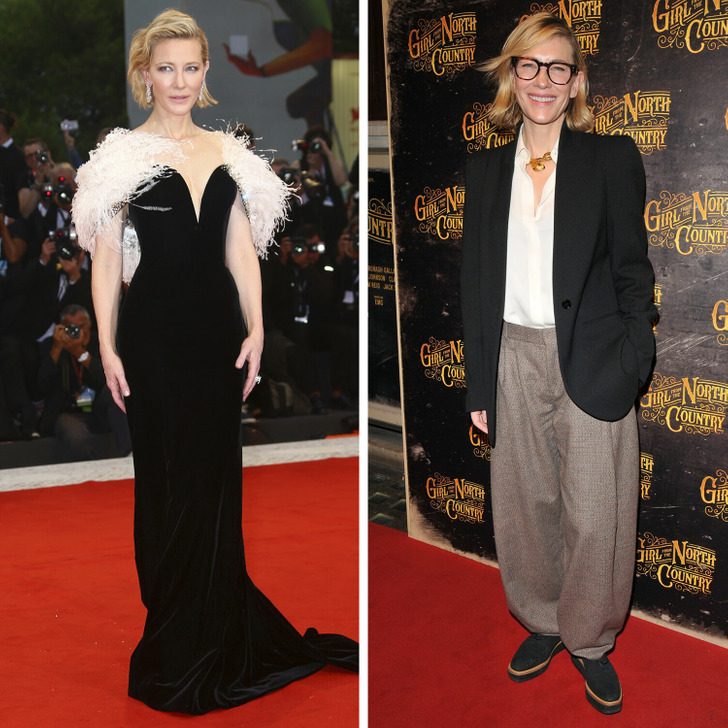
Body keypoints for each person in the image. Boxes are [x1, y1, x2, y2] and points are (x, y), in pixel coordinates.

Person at [72, 9, 356, 715]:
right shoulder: (121, 159)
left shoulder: (230, 154)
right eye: (165, 68)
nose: (178, 80)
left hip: (217, 340)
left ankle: (215, 628)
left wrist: (257, 329)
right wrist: (107, 344)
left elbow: (240, 253)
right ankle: (174, 635)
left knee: (216, 484)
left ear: (205, 74)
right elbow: (105, 260)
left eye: (190, 67)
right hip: (152, 339)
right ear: (145, 75)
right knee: (166, 483)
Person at [460, 13, 657, 716]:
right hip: (512, 356)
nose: (543, 80)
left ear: (575, 83)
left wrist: (634, 358)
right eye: (530, 65)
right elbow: (475, 283)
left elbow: (633, 270)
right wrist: (479, 382)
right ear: (512, 76)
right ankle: (543, 620)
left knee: (597, 514)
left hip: (594, 357)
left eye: (558, 68)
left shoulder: (610, 158)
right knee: (525, 505)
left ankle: (591, 639)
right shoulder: (486, 171)